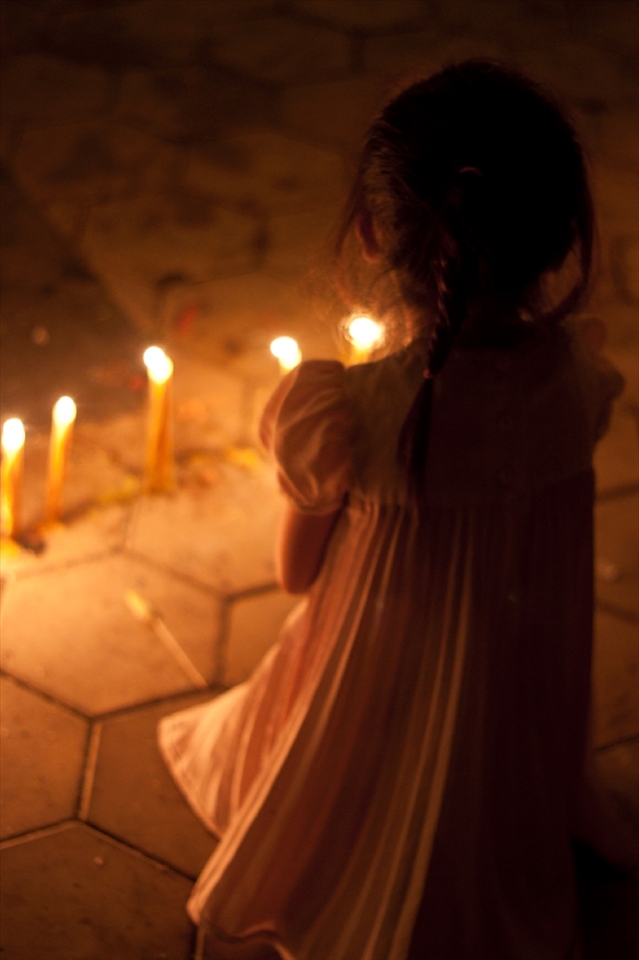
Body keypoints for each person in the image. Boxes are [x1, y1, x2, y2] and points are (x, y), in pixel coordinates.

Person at [158, 60, 626, 960]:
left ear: (371, 235)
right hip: (513, 715)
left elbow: (297, 577)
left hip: (374, 710)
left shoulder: (351, 413)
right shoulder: (581, 382)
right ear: (559, 238)